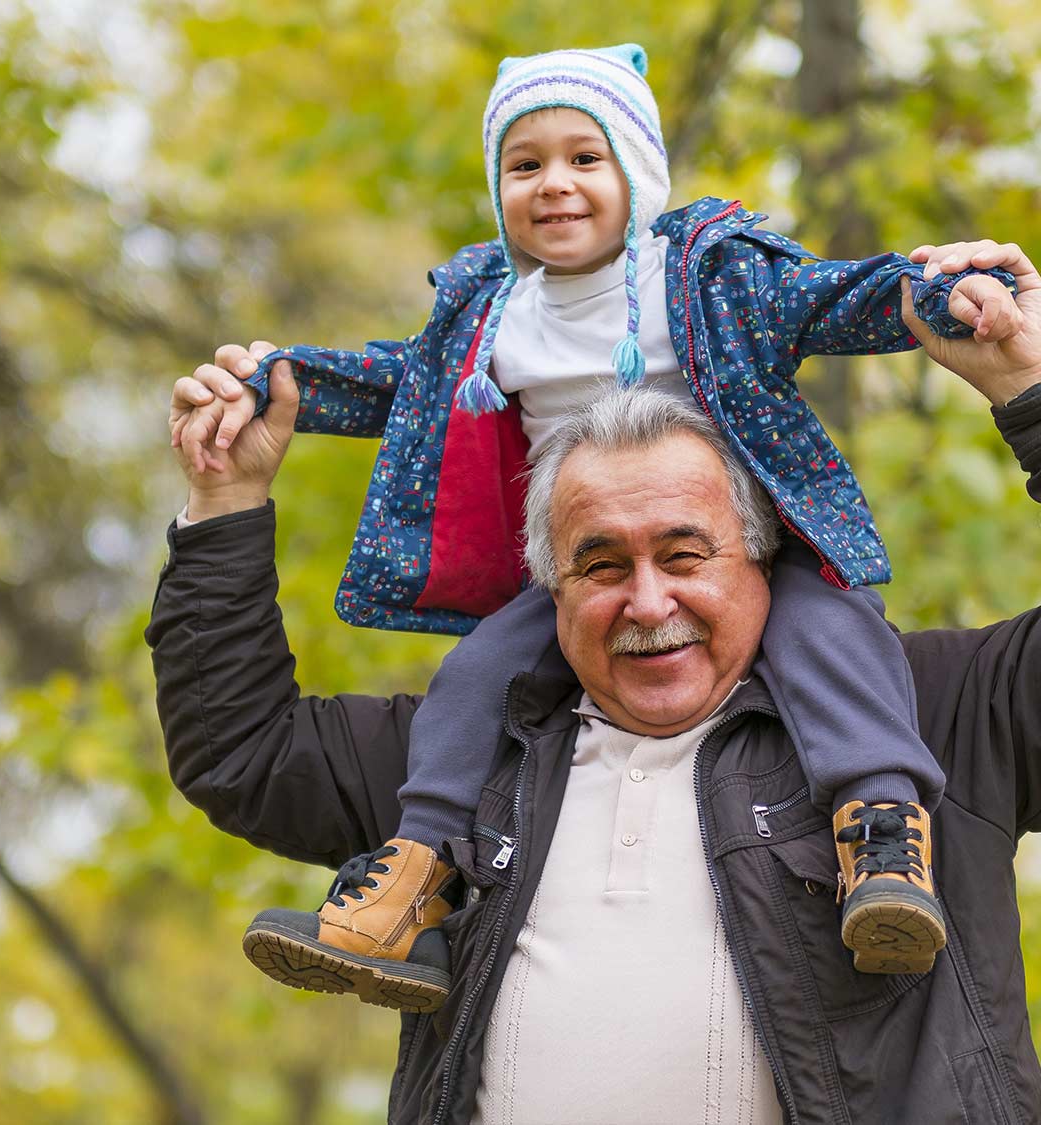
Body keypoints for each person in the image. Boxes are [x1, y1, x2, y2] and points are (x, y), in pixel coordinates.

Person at [167, 42, 1022, 1009]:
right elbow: (392, 385)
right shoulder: (489, 317)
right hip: (577, 567)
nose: (555, 186)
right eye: (525, 165)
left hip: (746, 545)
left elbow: (826, 299)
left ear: (638, 174)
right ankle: (418, 872)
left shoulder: (704, 277)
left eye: (587, 158)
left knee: (837, 636)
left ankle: (880, 835)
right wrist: (264, 387)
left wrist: (939, 294)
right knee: (477, 675)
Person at [147, 249, 1041, 1121]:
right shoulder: (468, 758)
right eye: (601, 564)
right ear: (551, 587)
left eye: (686, 554)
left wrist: (1027, 386)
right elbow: (242, 753)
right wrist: (225, 499)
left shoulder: (927, 714)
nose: (648, 601)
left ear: (765, 554)